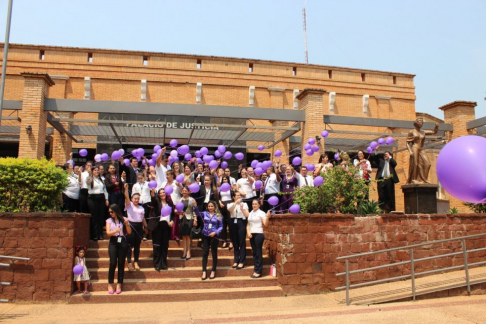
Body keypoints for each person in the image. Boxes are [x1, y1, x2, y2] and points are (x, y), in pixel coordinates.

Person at [193, 200, 223, 280]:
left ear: (215, 207)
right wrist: (195, 206)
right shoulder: (205, 213)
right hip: (205, 235)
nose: (210, 208)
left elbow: (221, 226)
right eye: (209, 206)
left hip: (214, 236)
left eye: (212, 206)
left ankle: (213, 270)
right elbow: (197, 213)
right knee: (205, 253)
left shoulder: (218, 215)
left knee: (214, 253)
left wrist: (215, 232)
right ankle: (204, 271)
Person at [106, 204, 131, 294]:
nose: (110, 213)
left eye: (112, 211)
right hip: (113, 241)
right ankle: (110, 283)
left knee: (121, 263)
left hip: (122, 241)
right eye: (109, 212)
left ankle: (119, 283)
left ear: (116, 211)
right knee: (113, 262)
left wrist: (127, 225)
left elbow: (129, 232)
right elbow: (108, 233)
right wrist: (115, 231)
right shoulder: (109, 220)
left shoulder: (124, 219)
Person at [406, 118, 439, 184]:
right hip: (415, 147)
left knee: (428, 164)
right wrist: (410, 151)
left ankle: (424, 179)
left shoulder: (423, 132)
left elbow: (433, 132)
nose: (421, 123)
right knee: (415, 163)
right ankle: (414, 179)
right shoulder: (411, 132)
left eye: (422, 122)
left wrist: (436, 126)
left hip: (421, 148)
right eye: (420, 122)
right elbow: (407, 142)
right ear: (416, 123)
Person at [149, 188, 174, 271]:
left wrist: (172, 221)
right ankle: (157, 264)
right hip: (157, 226)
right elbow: (153, 199)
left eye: (163, 192)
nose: (162, 194)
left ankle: (163, 263)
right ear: (159, 195)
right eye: (160, 193)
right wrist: (153, 192)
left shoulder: (170, 204)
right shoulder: (157, 202)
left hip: (166, 226)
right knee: (157, 245)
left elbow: (173, 215)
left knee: (164, 245)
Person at [124, 183, 146, 271]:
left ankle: (136, 261)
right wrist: (126, 189)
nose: (136, 200)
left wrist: (146, 226)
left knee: (137, 245)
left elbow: (143, 218)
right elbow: (126, 197)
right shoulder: (129, 205)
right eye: (135, 198)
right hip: (130, 226)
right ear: (132, 199)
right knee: (129, 245)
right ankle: (129, 262)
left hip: (139, 226)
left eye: (138, 199)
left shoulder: (141, 207)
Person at [247, 199, 270, 278]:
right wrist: (248, 232)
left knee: (258, 252)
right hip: (252, 234)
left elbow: (265, 224)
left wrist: (267, 217)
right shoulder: (250, 213)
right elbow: (248, 224)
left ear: (259, 205)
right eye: (253, 204)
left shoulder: (261, 213)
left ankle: (258, 271)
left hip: (259, 234)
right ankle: (256, 269)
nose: (254, 205)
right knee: (254, 253)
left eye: (256, 204)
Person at [227, 192, 249, 269]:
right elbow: (230, 210)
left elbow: (247, 215)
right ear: (234, 197)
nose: (239, 197)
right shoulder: (230, 204)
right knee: (235, 242)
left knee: (242, 241)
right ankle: (236, 260)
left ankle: (242, 261)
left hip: (241, 222)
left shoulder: (244, 204)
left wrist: (242, 210)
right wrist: (236, 202)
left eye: (240, 195)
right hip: (233, 221)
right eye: (237, 195)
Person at [87, 165, 109, 241]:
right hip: (93, 198)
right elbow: (88, 183)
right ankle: (95, 235)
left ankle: (100, 234)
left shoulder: (101, 179)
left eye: (97, 170)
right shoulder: (90, 178)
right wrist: (90, 174)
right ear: (92, 171)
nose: (97, 172)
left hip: (101, 198)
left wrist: (106, 199)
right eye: (95, 170)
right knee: (94, 216)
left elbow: (105, 190)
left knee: (101, 216)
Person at [177, 186, 197, 259]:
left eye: (186, 191)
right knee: (183, 236)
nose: (184, 192)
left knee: (188, 236)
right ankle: (184, 251)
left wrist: (195, 219)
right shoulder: (179, 200)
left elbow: (195, 210)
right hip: (182, 218)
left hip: (189, 218)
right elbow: (177, 210)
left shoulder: (192, 200)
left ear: (188, 192)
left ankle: (189, 252)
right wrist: (178, 212)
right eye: (183, 190)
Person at [132, 173, 152, 239]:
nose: (140, 179)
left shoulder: (148, 183)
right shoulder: (135, 185)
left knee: (146, 217)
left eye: (141, 178)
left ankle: (146, 233)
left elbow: (152, 190)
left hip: (147, 201)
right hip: (139, 202)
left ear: (144, 177)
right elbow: (133, 194)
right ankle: (140, 232)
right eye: (138, 178)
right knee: (139, 218)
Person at [218, 175, 233, 249]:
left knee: (230, 224)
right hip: (222, 206)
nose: (224, 180)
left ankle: (231, 241)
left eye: (226, 179)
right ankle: (224, 241)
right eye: (223, 179)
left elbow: (234, 197)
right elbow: (218, 198)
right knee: (223, 224)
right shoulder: (220, 188)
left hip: (229, 205)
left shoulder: (231, 188)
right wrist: (220, 203)